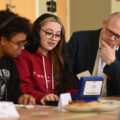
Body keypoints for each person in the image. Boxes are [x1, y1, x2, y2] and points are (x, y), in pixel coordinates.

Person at [14, 13, 78, 105]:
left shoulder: (59, 57)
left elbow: (67, 87)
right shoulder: (23, 55)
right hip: (33, 108)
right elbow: (23, 88)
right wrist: (42, 97)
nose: (53, 39)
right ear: (36, 32)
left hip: (55, 109)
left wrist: (80, 95)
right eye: (48, 33)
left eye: (58, 35)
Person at [66, 12, 120, 96]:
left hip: (113, 104)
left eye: (118, 36)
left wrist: (113, 62)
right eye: (110, 32)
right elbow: (64, 72)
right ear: (104, 24)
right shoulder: (79, 40)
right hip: (81, 101)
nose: (112, 39)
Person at [0, 10, 35, 104]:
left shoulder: (9, 63)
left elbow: (15, 94)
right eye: (19, 43)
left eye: (24, 43)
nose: (22, 47)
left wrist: (22, 98)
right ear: (3, 40)